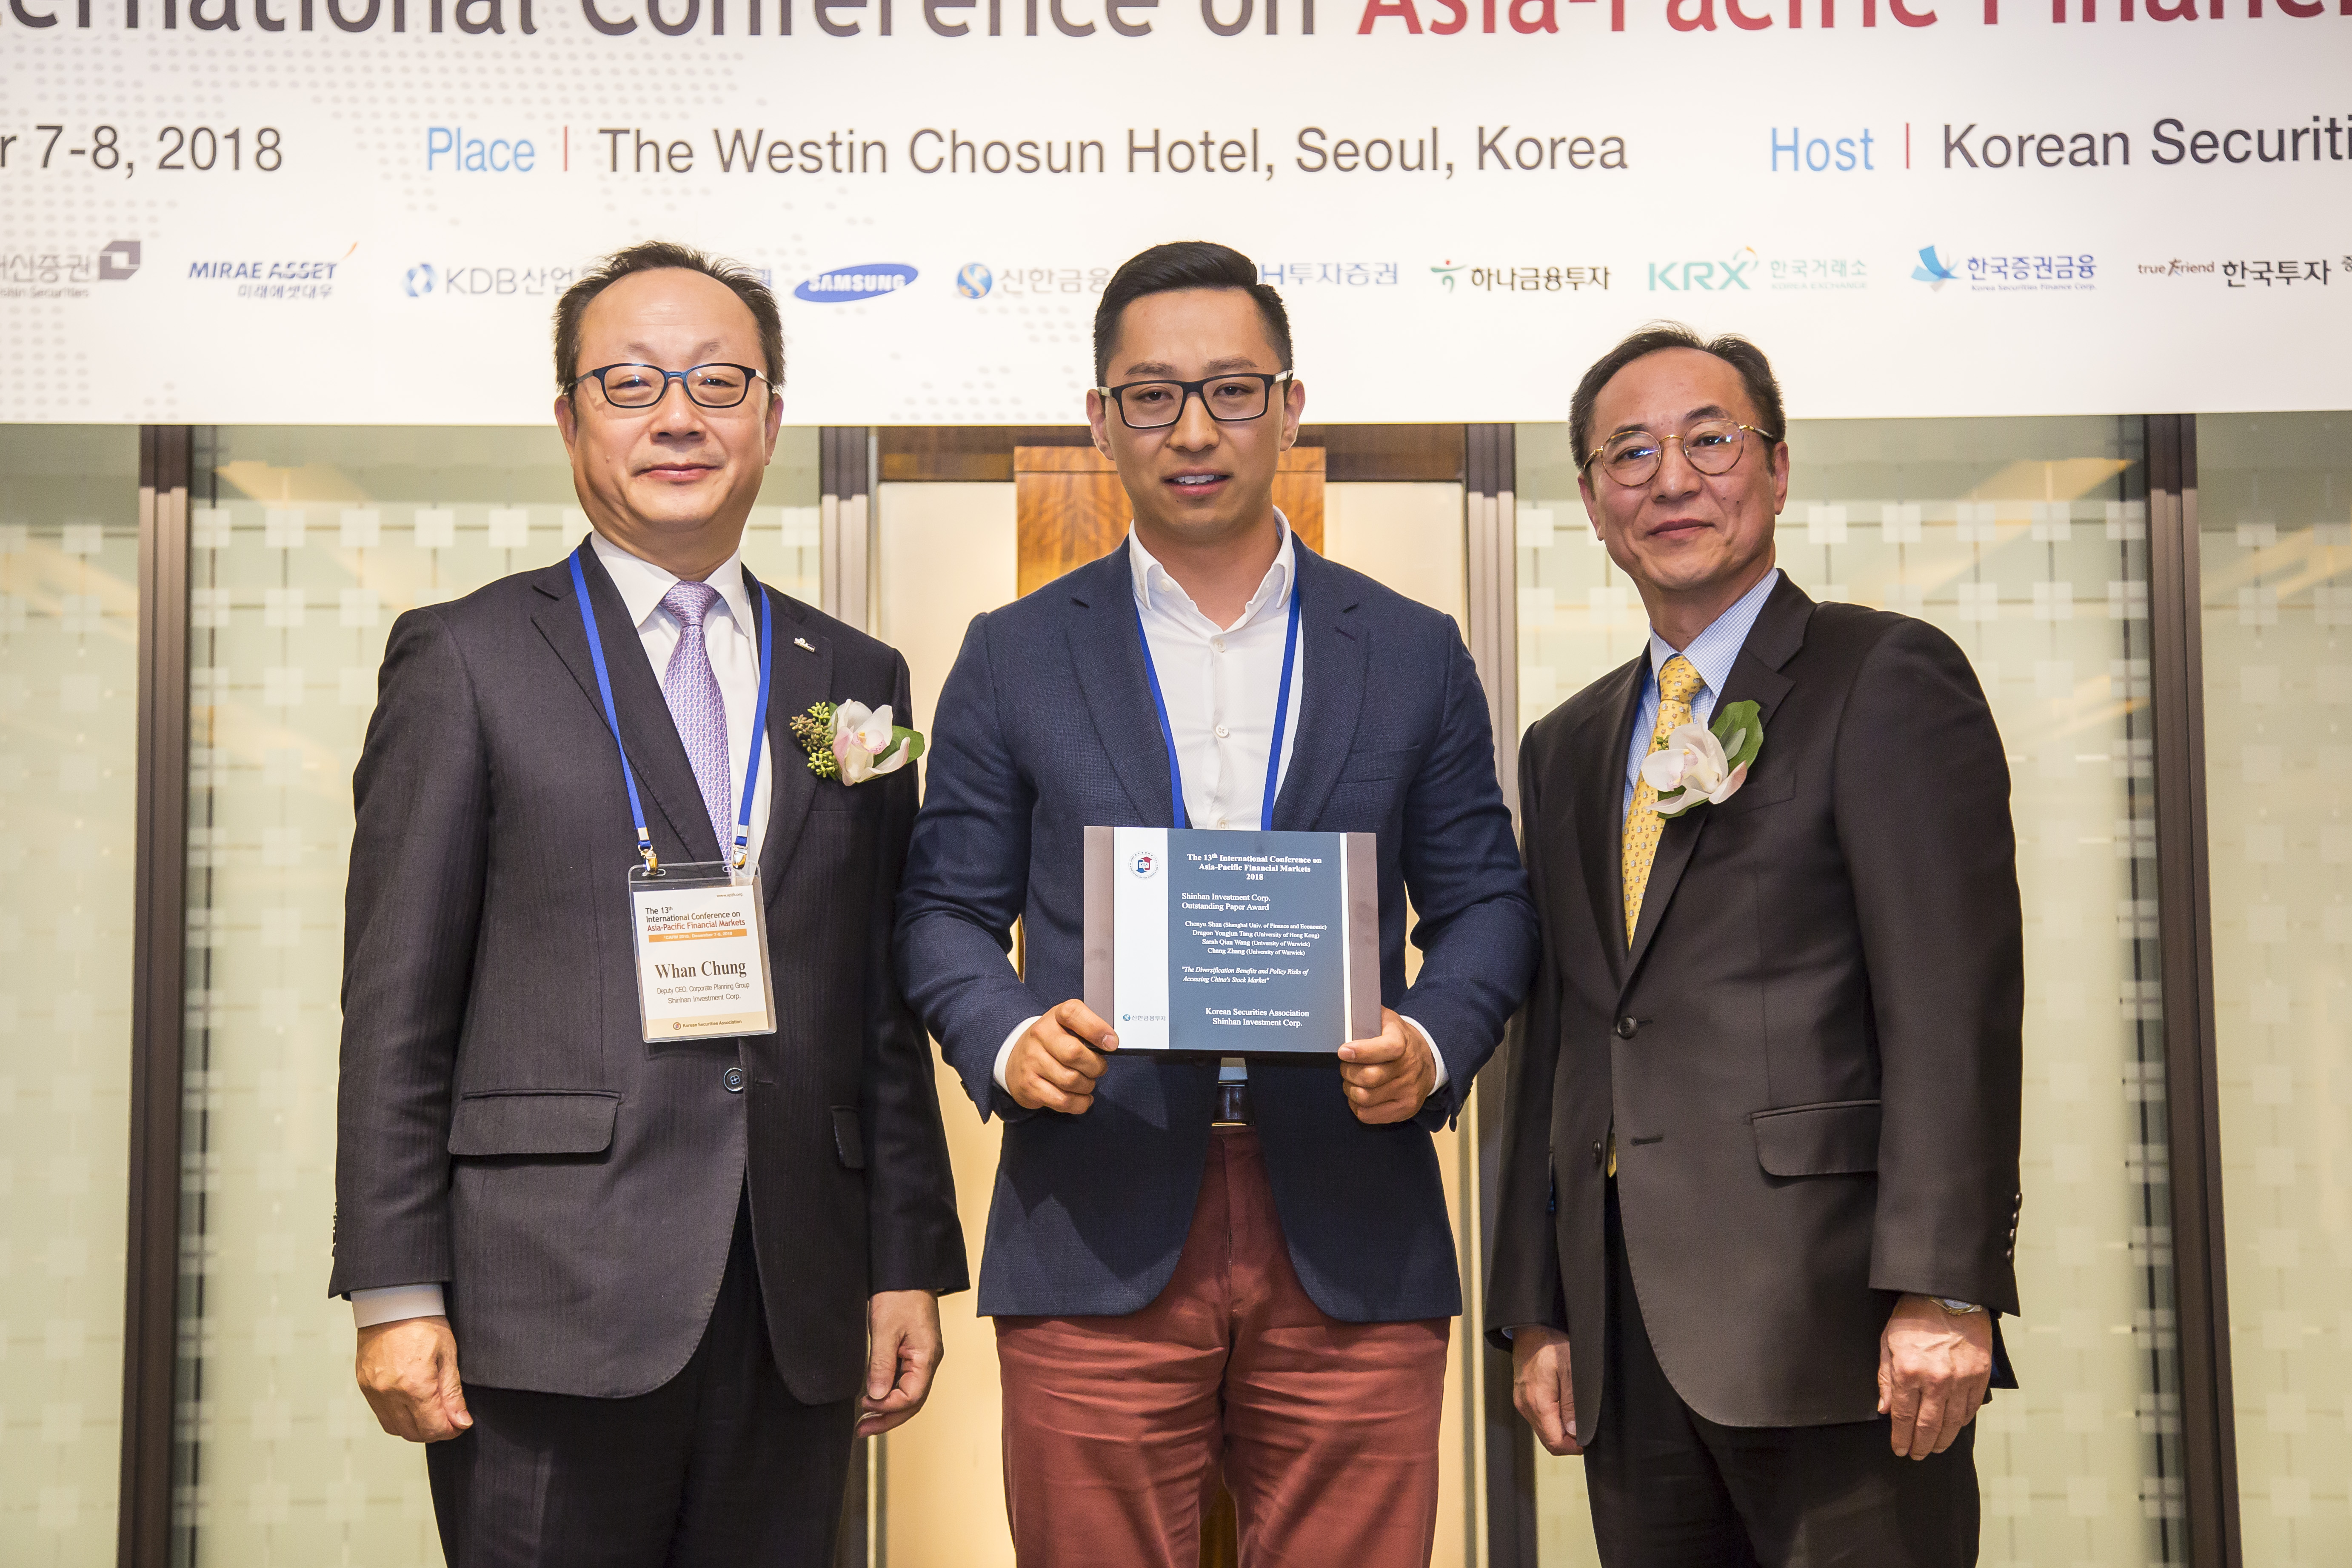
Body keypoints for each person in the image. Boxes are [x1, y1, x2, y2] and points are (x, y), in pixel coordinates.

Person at [895, 240, 1538, 1568]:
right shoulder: (1015, 655)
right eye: (1153, 396)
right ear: (1101, 421)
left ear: (1290, 408)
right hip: (1094, 1205)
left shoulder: (1410, 649)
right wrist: (1012, 1042)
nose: (1194, 430)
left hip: (1355, 1215)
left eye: (1233, 391)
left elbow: (1487, 904)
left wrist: (1428, 1046)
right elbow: (942, 911)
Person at [328, 240, 967, 1568]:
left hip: (797, 1298)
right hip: (548, 1299)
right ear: (570, 420)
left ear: (772, 420)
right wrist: (393, 1287)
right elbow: (397, 1004)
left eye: (719, 383)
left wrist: (904, 1256)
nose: (679, 416)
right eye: (631, 383)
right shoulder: (468, 657)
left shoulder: (852, 675)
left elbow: (878, 1007)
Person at [1485, 323, 2023, 1567]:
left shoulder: (1882, 676)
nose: (1672, 480)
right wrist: (1538, 1305)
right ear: (1593, 505)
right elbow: (1563, 1031)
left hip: (1837, 1326)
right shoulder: (1568, 745)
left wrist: (1946, 1285)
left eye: (1710, 441)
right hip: (1625, 1329)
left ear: (1777, 471)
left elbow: (1952, 1006)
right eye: (1630, 454)